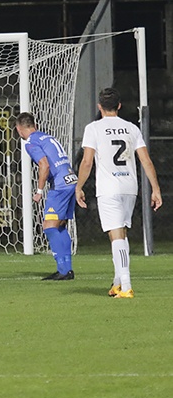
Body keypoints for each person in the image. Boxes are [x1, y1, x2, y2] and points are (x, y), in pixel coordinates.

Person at [75, 88, 162, 298]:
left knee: (116, 236)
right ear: (119, 106)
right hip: (129, 187)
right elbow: (146, 160)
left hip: (109, 188)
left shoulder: (94, 128)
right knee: (120, 234)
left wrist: (79, 187)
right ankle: (117, 282)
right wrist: (156, 189)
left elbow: (87, 162)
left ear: (99, 107)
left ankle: (126, 285)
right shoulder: (131, 128)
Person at [14, 112, 78, 281]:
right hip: (71, 180)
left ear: (19, 128)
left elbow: (44, 165)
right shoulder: (47, 137)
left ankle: (63, 270)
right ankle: (66, 269)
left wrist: (39, 191)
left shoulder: (31, 142)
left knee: (49, 226)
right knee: (60, 226)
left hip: (60, 186)